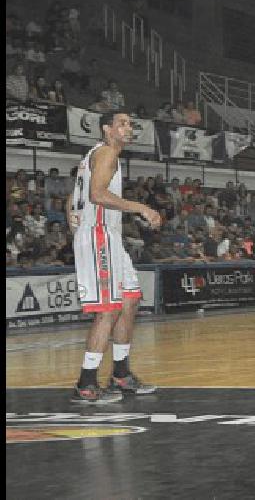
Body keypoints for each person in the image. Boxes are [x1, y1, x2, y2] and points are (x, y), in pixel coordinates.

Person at [67, 112, 162, 404]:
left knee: (130, 299)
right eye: (122, 123)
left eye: (131, 124)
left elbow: (75, 197)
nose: (129, 128)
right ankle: (86, 382)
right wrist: (141, 208)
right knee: (108, 310)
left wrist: (71, 214)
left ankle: (121, 373)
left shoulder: (96, 155)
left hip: (108, 235)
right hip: (98, 235)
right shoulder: (106, 152)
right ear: (107, 129)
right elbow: (96, 194)